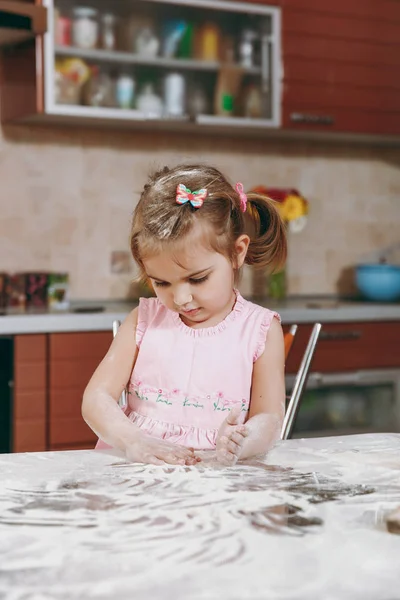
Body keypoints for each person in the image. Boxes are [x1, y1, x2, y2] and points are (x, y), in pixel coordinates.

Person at [82, 164, 287, 467]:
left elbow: (269, 418)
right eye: (161, 282)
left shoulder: (260, 330)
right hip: (140, 474)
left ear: (237, 252)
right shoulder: (143, 320)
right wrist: (134, 440)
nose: (180, 298)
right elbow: (96, 399)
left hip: (218, 479)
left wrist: (241, 441)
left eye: (197, 278)